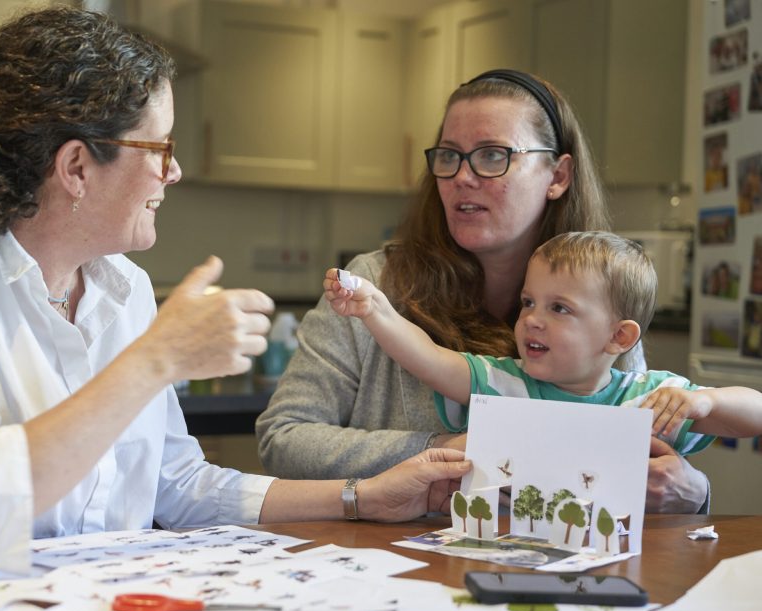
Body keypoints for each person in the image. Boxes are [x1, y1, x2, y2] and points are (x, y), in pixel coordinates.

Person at [0, 7, 471, 573]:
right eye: (160, 148)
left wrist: (362, 495)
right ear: (76, 166)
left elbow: (175, 485)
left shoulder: (121, 284)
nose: (174, 171)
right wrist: (158, 357)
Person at [256, 69, 712, 513]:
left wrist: (694, 491)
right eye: (449, 156)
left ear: (558, 176)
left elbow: (643, 455)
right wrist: (445, 450)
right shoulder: (372, 284)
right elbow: (283, 439)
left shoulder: (601, 295)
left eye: (493, 155)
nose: (462, 176)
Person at [325, 231, 762, 444]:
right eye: (528, 302)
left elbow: (754, 416)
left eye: (559, 309)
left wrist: (709, 401)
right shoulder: (501, 383)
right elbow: (428, 358)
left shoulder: (650, 403)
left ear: (618, 336)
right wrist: (376, 309)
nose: (531, 319)